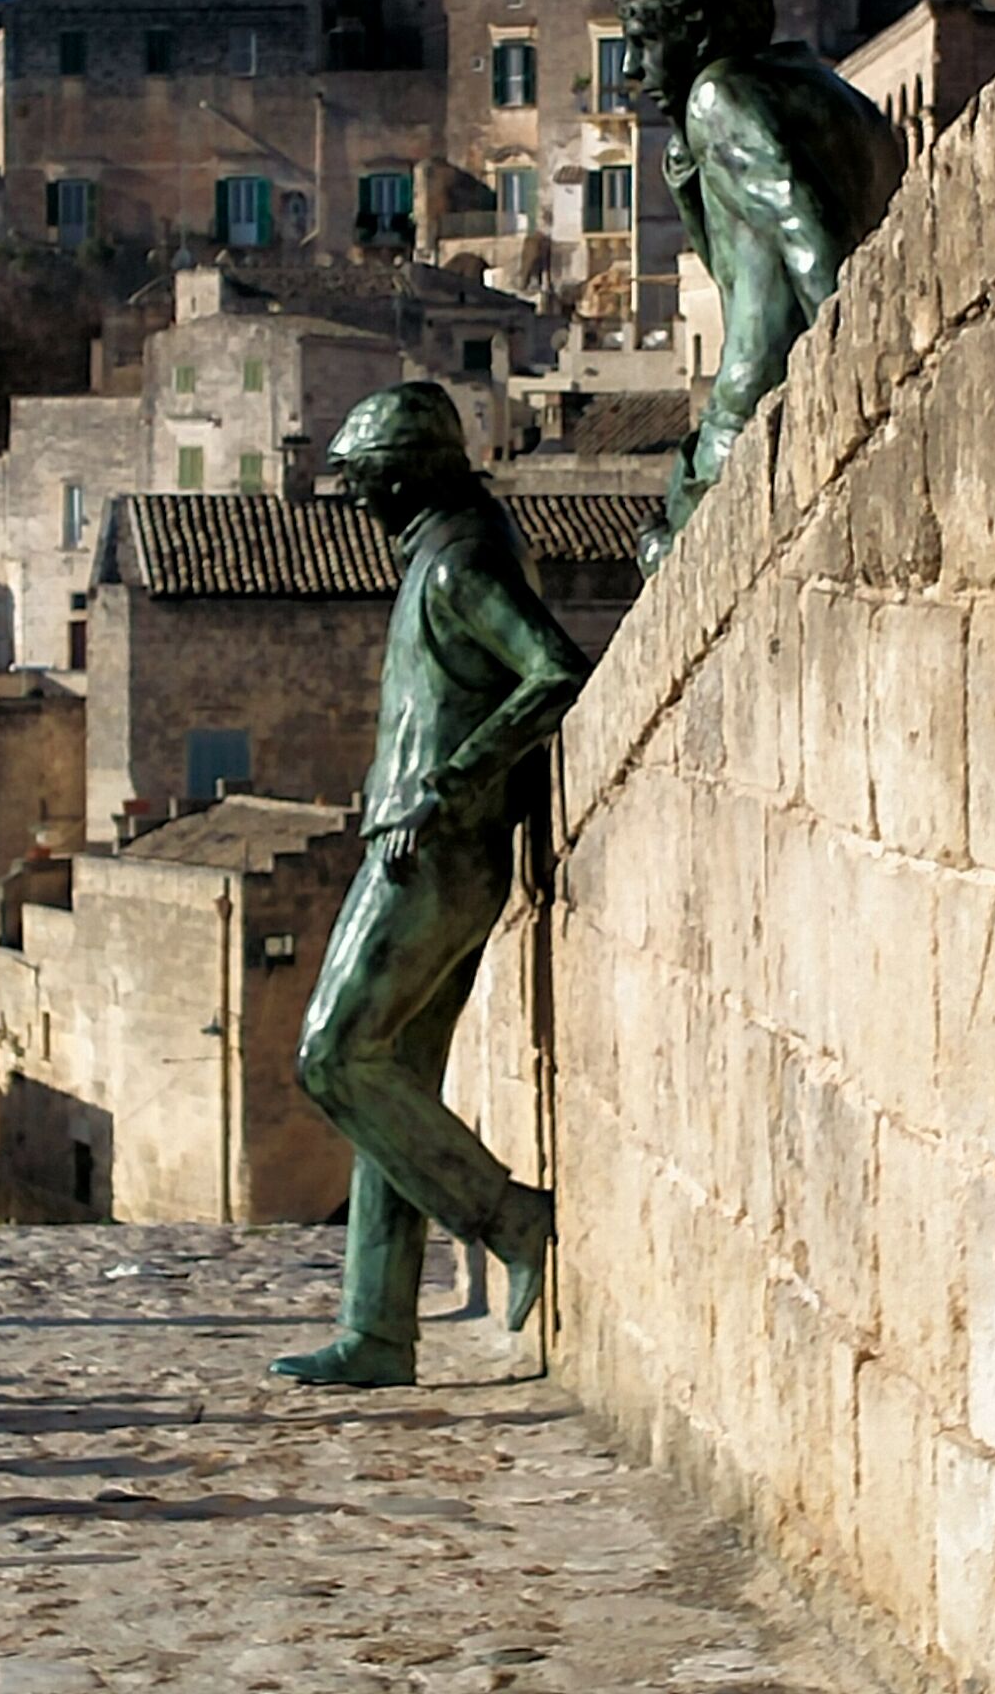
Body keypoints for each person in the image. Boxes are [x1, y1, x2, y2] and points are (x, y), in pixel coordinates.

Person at [270, 381, 590, 1389]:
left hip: (433, 850)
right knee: (391, 1081)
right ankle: (377, 1329)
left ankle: (511, 1220)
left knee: (330, 1057)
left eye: (367, 487)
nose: (360, 506)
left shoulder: (456, 564)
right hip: (431, 842)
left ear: (401, 484)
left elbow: (550, 669)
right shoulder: (445, 551)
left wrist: (450, 783)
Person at [614, 0, 903, 572]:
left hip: (751, 421)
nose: (631, 72)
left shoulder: (720, 97)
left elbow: (814, 243)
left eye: (644, 43)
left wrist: (854, 387)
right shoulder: (841, 99)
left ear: (697, 34)